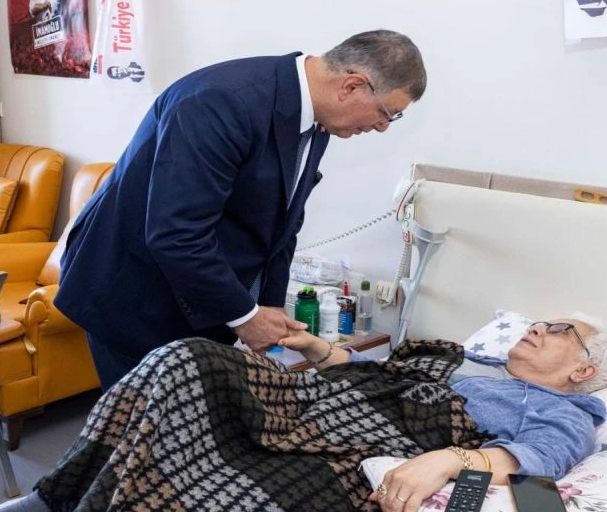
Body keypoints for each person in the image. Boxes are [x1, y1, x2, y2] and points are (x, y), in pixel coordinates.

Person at [0, 314, 607, 512]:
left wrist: (449, 459)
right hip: (330, 397)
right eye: (538, 322)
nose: (537, 328)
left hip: (381, 442)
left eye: (559, 331)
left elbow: (538, 466)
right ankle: (56, 498)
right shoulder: (471, 362)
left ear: (582, 369)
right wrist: (318, 347)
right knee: (185, 360)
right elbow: (379, 372)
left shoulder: (569, 411)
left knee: (238, 494)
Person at [55, 31, 427, 389]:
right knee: (143, 423)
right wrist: (245, 316)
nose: (382, 127)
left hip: (197, 292)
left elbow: (285, 224)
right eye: (387, 113)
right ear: (352, 86)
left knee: (197, 415)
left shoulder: (317, 119)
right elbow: (177, 232)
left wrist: (270, 308)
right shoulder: (219, 102)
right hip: (133, 292)